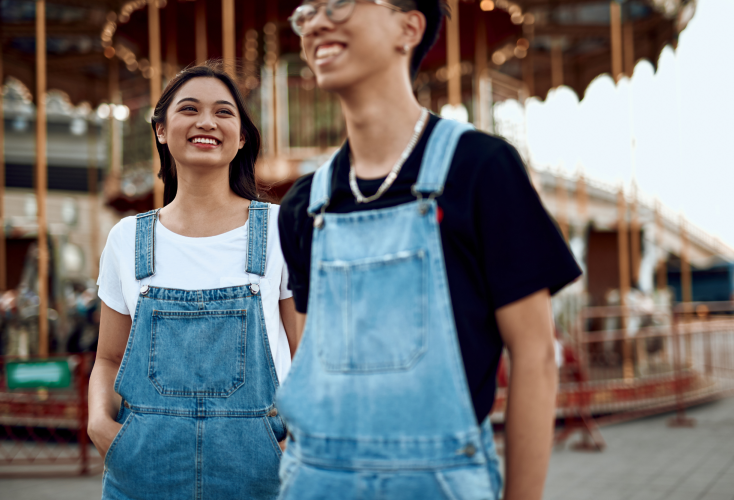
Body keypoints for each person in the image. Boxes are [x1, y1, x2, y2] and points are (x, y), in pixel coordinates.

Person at [275, 1, 582, 499]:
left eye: (338, 3)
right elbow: (315, 363)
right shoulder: (303, 205)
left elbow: (534, 356)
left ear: (409, 27)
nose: (315, 21)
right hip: (316, 479)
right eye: (306, 10)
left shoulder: (481, 169)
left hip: (441, 480)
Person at [88, 63, 297, 500]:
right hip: (142, 469)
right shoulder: (127, 239)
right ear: (161, 129)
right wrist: (99, 424)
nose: (206, 122)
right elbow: (108, 357)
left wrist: (297, 442)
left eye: (224, 112)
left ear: (241, 137)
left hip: (262, 470)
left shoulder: (281, 230)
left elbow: (310, 354)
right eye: (190, 109)